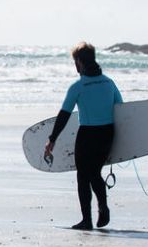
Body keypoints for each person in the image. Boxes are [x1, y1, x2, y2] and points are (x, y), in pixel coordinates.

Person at [44, 42, 123, 230]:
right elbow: (121, 109)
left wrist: (52, 139)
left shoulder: (78, 87)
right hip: (107, 133)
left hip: (87, 134)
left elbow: (64, 115)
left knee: (83, 176)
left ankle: (86, 220)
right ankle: (103, 207)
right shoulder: (109, 83)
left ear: (79, 62)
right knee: (95, 172)